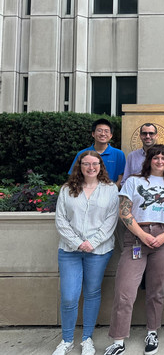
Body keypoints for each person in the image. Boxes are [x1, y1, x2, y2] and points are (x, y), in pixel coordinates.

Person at [104, 145, 164, 355]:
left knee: (157, 290)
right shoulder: (133, 181)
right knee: (125, 291)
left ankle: (152, 332)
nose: (160, 161)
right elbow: (124, 212)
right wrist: (142, 234)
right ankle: (118, 341)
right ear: (149, 160)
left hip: (163, 238)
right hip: (136, 239)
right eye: (156, 157)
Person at [52, 151, 119, 355]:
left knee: (92, 293)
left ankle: (87, 339)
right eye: (86, 164)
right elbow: (60, 220)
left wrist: (93, 242)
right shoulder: (67, 189)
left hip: (99, 251)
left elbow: (111, 220)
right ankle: (67, 340)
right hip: (70, 250)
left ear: (101, 166)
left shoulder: (110, 190)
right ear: (79, 166)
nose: (91, 167)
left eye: (95, 164)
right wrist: (79, 243)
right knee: (69, 296)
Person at [69, 118, 126, 187]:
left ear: (111, 135)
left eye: (106, 131)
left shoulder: (119, 154)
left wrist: (111, 192)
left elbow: (121, 178)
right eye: (99, 130)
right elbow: (74, 176)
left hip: (111, 194)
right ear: (93, 134)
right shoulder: (82, 154)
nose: (102, 134)